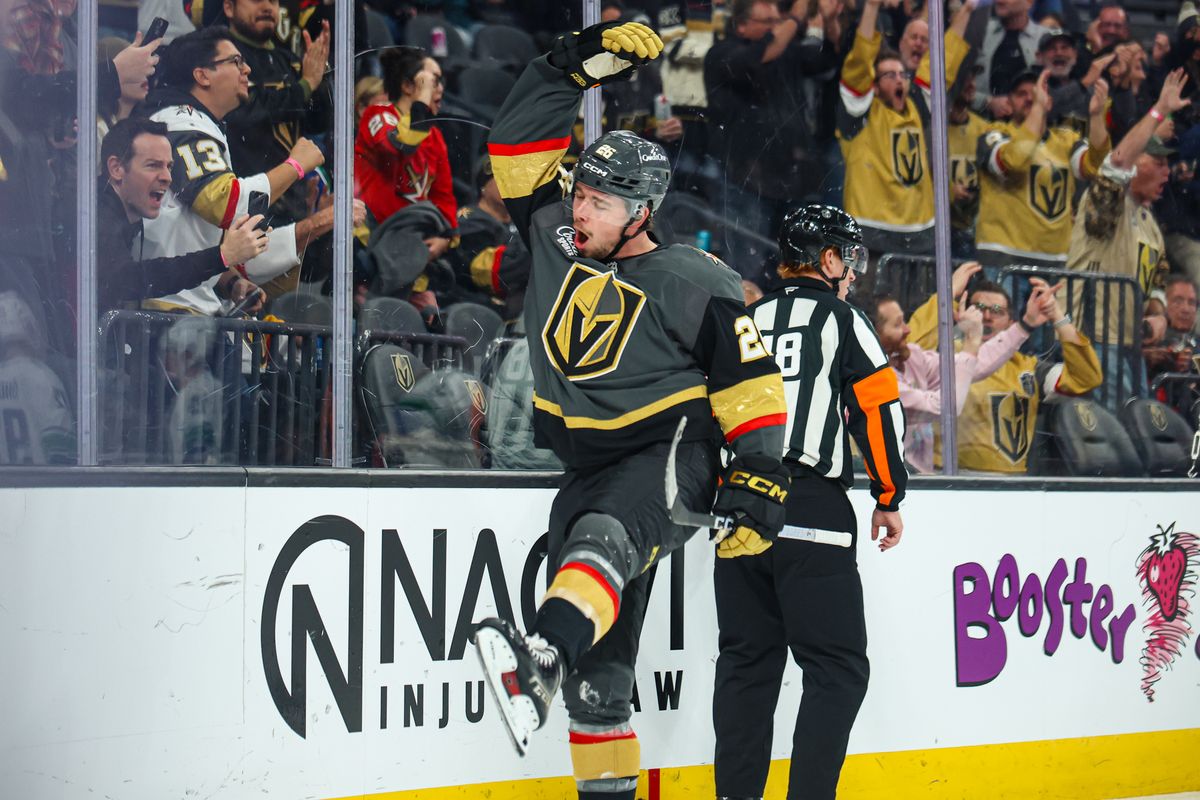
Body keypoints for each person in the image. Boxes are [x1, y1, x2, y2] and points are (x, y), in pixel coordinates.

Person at [469, 23, 790, 800]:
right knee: (600, 689)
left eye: (600, 201)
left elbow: (750, 381)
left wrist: (759, 473)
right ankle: (568, 679)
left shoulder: (695, 277)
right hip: (586, 468)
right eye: (579, 193)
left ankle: (540, 654)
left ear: (641, 211)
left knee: (602, 540)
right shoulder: (555, 237)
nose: (580, 209)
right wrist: (573, 64)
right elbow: (514, 141)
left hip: (671, 455)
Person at [713, 204, 906, 800]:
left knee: (746, 666)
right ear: (826, 259)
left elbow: (710, 408)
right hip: (810, 507)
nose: (852, 270)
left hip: (740, 508)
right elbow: (878, 408)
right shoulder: (843, 319)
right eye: (847, 257)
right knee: (837, 671)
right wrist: (888, 494)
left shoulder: (746, 318)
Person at [139, 27, 340, 316]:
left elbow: (196, 236)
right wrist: (295, 166)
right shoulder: (181, 122)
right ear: (202, 75)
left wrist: (231, 282)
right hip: (169, 312)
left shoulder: (198, 123)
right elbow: (223, 203)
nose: (247, 69)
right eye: (235, 62)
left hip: (185, 306)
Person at [1067, 69, 1192, 407]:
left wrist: (1158, 315)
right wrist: (1159, 110)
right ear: (1136, 165)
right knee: (1112, 430)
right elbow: (1118, 160)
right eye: (1158, 163)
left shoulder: (1150, 223)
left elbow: (1158, 280)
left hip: (1127, 345)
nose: (1167, 172)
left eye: (1168, 165)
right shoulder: (1105, 200)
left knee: (1137, 426)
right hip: (1091, 339)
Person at [908, 277, 1102, 472]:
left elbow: (1086, 378)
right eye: (978, 308)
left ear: (1010, 323)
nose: (987, 316)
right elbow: (907, 357)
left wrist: (1058, 317)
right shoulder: (945, 358)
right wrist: (944, 298)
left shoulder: (1029, 368)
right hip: (950, 477)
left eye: (996, 311)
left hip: (1013, 482)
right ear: (961, 313)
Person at [837, 0, 973, 265]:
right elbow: (859, 63)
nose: (899, 79)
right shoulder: (859, 112)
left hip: (920, 234)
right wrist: (871, 8)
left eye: (902, 74)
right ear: (874, 86)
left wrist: (966, 10)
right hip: (871, 232)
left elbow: (944, 61)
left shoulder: (917, 106)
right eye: (889, 75)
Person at [870, 263, 1028, 473]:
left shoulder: (912, 357)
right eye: (898, 325)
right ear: (874, 334)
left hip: (918, 480)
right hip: (881, 481)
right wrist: (971, 339)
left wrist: (1025, 325)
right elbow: (943, 408)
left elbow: (973, 365)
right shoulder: (873, 382)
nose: (908, 330)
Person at [98, 117, 267, 313]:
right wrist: (222, 256)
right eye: (153, 165)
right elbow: (125, 280)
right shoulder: (93, 214)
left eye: (169, 167)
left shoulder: (114, 210)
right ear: (116, 169)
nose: (167, 177)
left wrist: (231, 282)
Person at [974, 69, 1110, 272]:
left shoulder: (1066, 140)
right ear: (1008, 104)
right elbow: (1014, 161)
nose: (1030, 98)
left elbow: (1093, 167)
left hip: (1055, 260)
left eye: (1036, 93)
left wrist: (1097, 116)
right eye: (1021, 94)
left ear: (1050, 103)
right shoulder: (994, 134)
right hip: (1003, 257)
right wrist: (1038, 107)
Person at [222, 0, 333, 228]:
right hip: (246, 206)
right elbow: (247, 111)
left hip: (295, 202)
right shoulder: (223, 59)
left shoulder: (290, 61)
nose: (267, 6)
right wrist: (306, 85)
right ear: (229, 8)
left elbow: (318, 124)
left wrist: (320, 79)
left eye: (273, 1)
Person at [354, 46, 456, 239]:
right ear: (408, 86)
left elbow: (443, 195)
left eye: (440, 82)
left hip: (412, 241)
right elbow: (400, 145)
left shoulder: (434, 135)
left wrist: (445, 238)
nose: (440, 89)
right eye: (432, 81)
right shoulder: (378, 114)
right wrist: (420, 106)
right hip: (371, 239)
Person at [974, 0, 1050, 120]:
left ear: (1029, 2)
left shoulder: (1047, 38)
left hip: (1035, 125)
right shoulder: (979, 31)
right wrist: (987, 102)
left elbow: (1058, 88)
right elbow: (955, 87)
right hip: (981, 124)